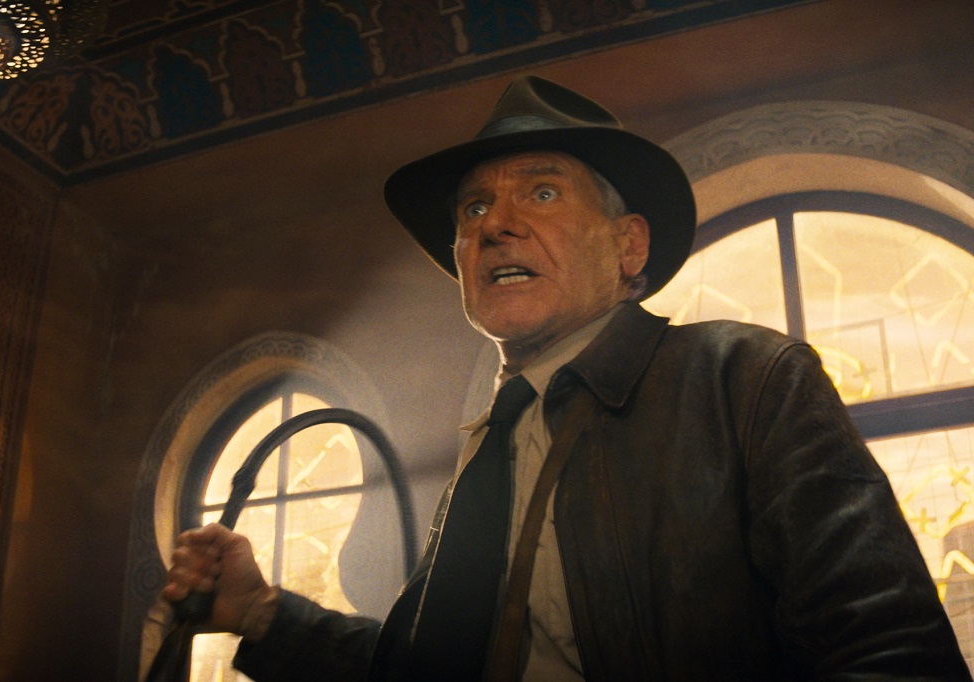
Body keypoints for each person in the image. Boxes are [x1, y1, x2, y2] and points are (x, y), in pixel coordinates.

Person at [162, 76, 970, 681]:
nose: (496, 224)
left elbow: (892, 651)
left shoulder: (743, 380)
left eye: (542, 191)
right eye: (472, 210)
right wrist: (259, 612)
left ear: (627, 246)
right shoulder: (491, 450)